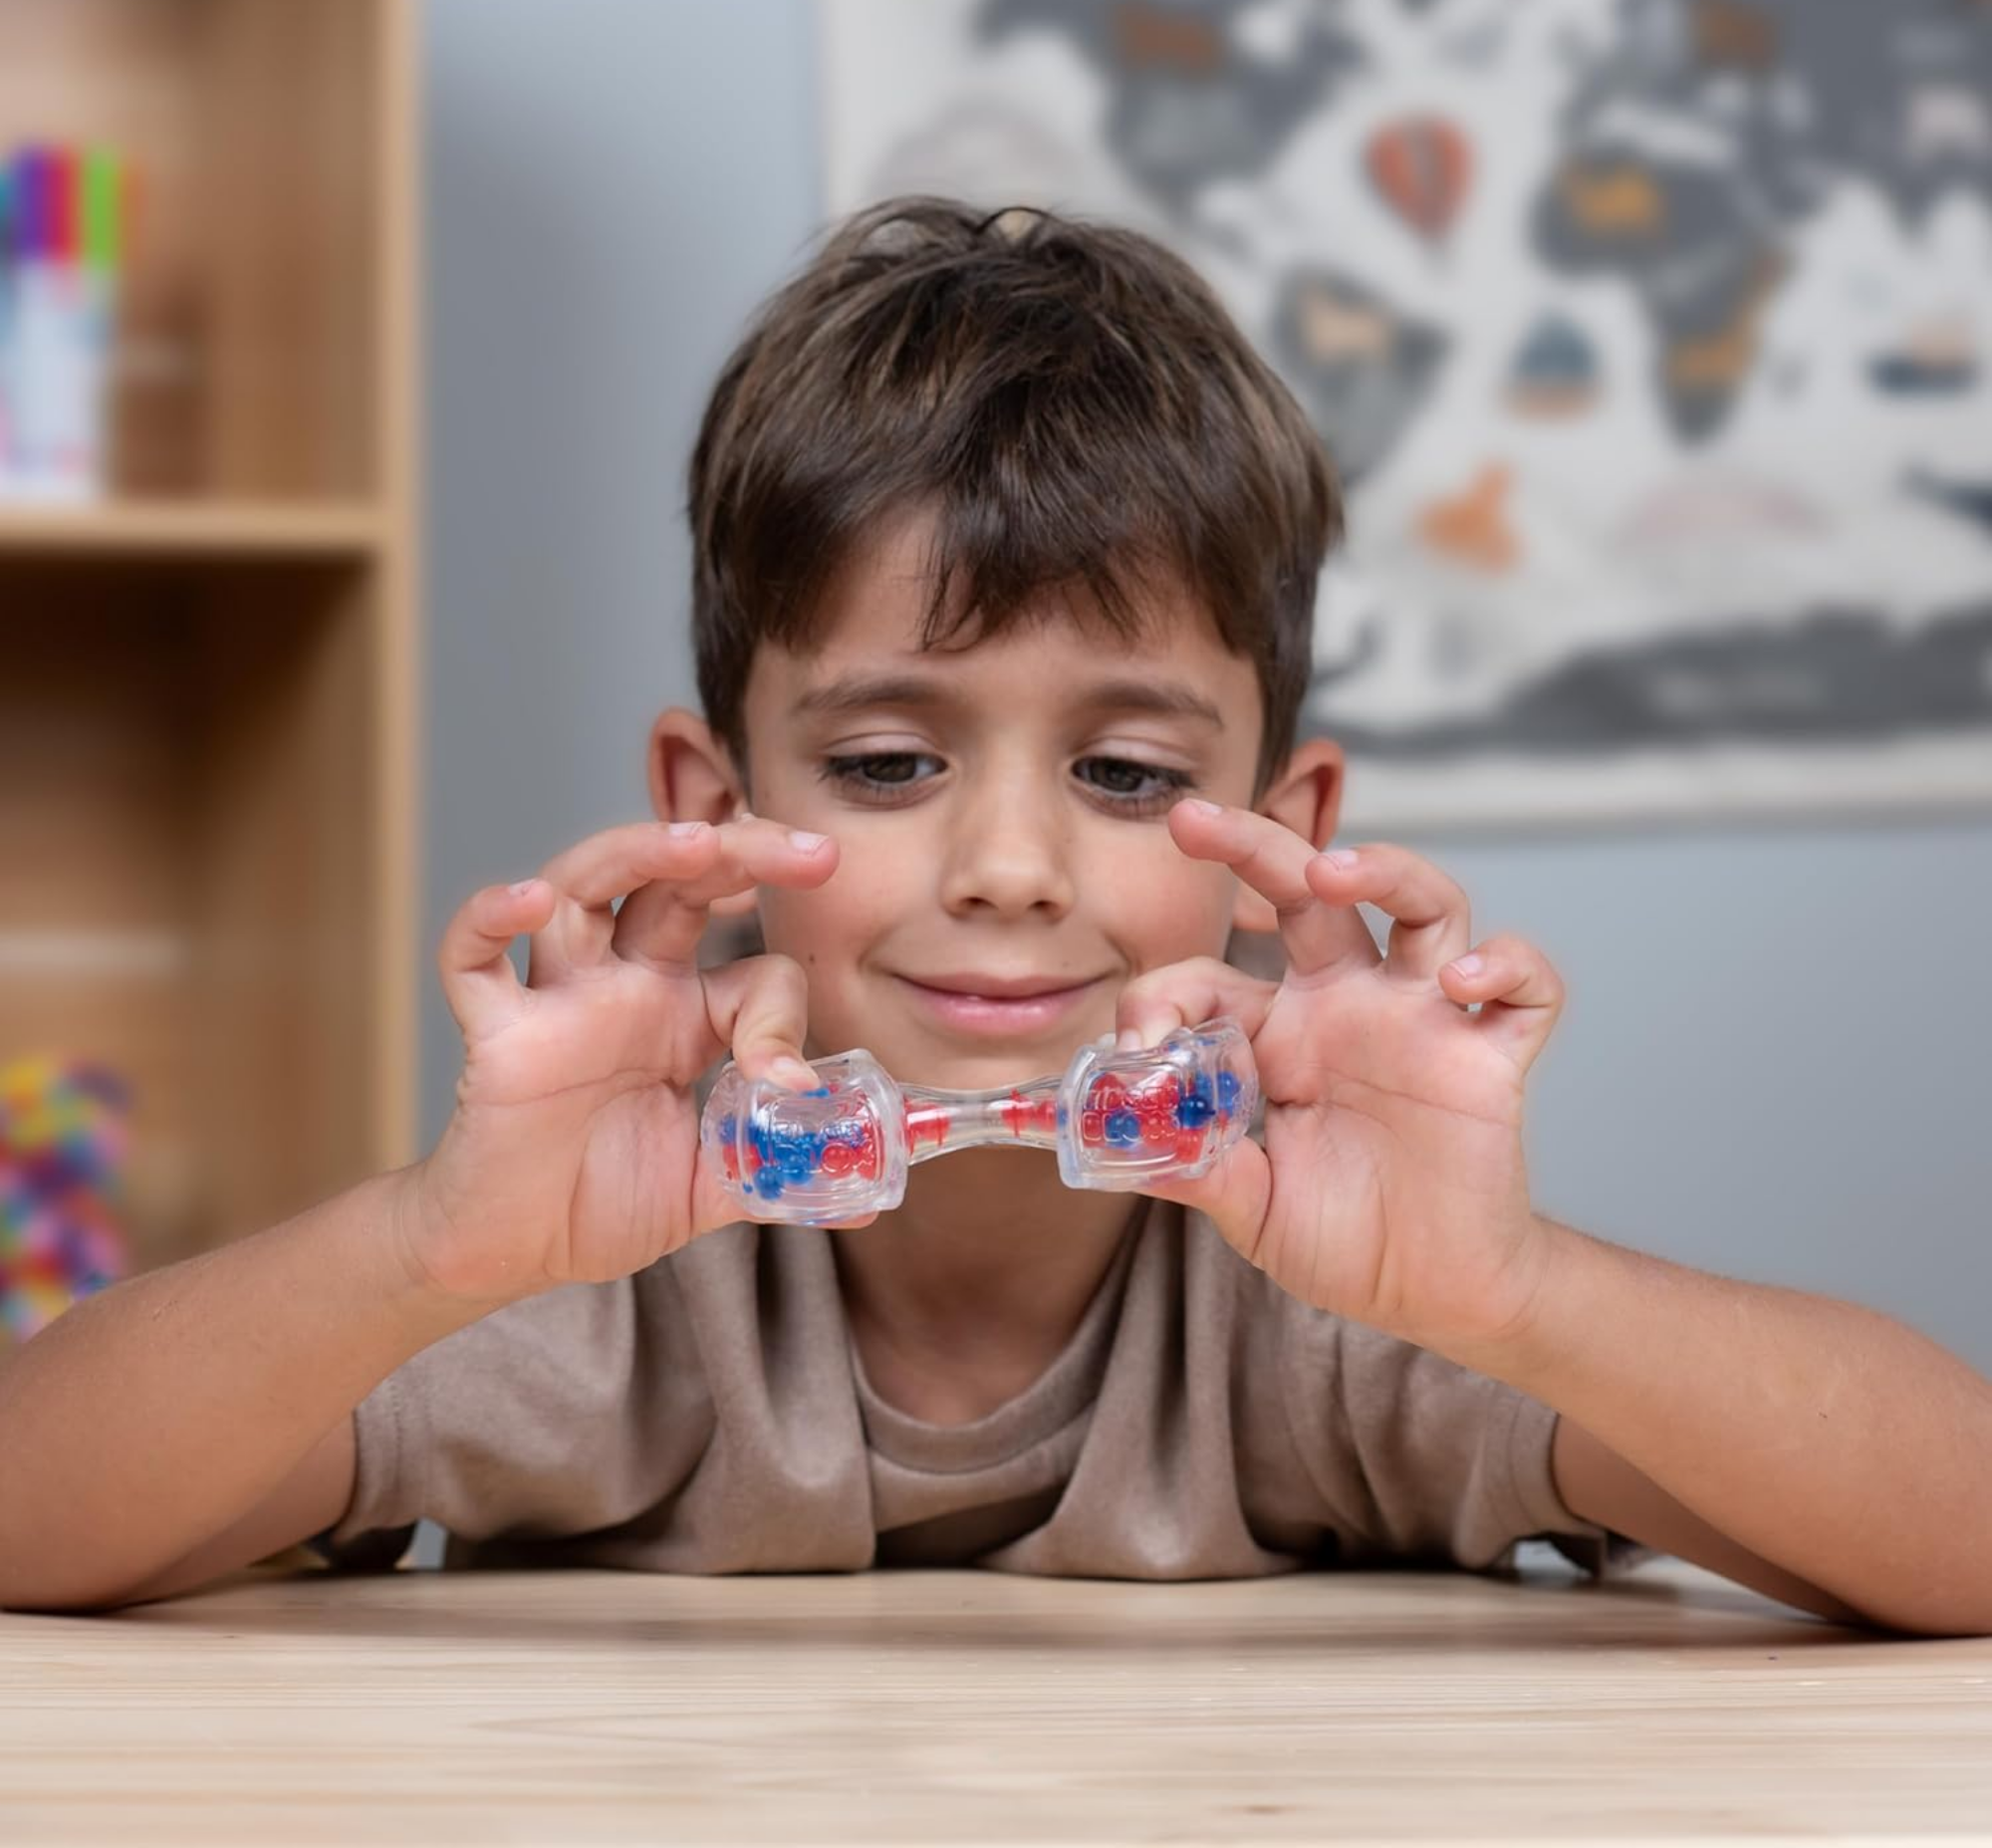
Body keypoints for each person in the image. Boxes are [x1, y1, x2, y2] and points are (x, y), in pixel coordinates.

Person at [3, 200, 1988, 1631]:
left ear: (1269, 839)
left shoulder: (1350, 1295)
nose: (1010, 866)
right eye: (885, 764)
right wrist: (429, 1246)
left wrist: (1519, 1293)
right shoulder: (583, 1292)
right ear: (712, 817)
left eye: (1125, 775)